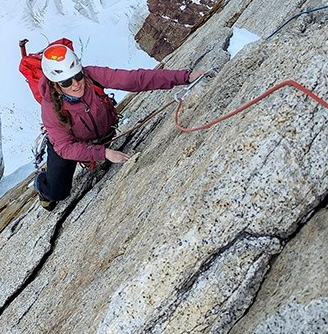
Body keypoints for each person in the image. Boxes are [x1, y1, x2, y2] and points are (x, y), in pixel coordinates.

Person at [33, 41, 206, 209]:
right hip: (67, 144)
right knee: (57, 193)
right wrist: (104, 153)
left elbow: (134, 80)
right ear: (56, 84)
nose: (76, 84)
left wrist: (185, 77)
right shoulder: (50, 107)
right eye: (66, 82)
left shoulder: (91, 75)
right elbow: (65, 147)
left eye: (78, 76)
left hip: (101, 134)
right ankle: (40, 182)